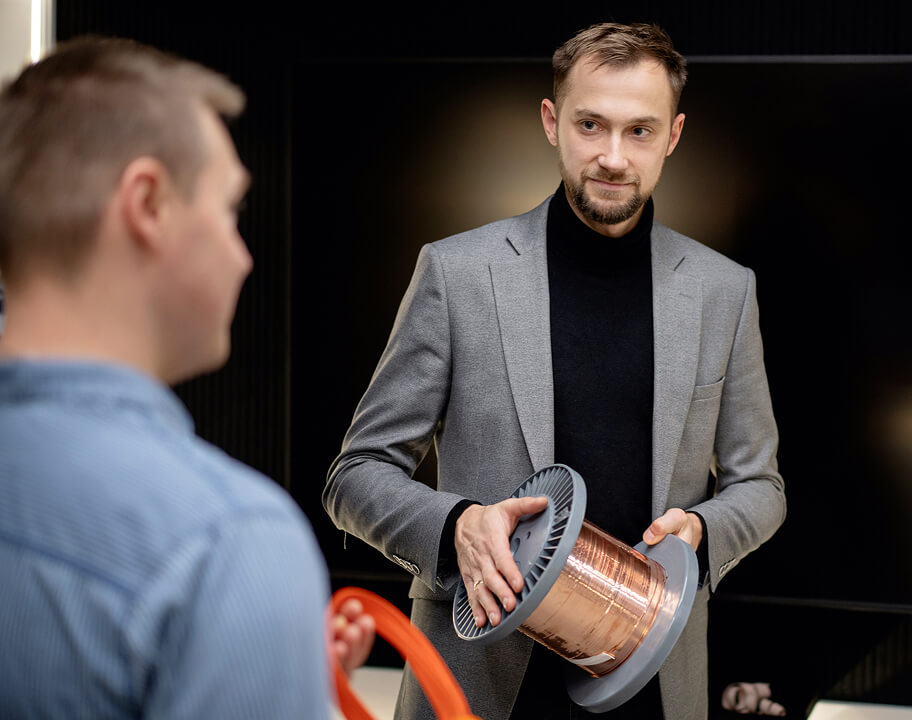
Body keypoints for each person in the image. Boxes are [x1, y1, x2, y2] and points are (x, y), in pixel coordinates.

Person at [324, 21, 785, 720]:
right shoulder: (455, 273)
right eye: (590, 125)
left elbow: (761, 486)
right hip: (477, 680)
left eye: (639, 131)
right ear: (551, 122)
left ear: (673, 135)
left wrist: (700, 532)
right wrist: (457, 527)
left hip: (654, 685)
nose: (612, 157)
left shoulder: (726, 291)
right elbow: (355, 475)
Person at [0, 36, 373, 718]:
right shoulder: (228, 544)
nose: (242, 257)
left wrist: (263, 671)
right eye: (229, 210)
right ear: (148, 203)